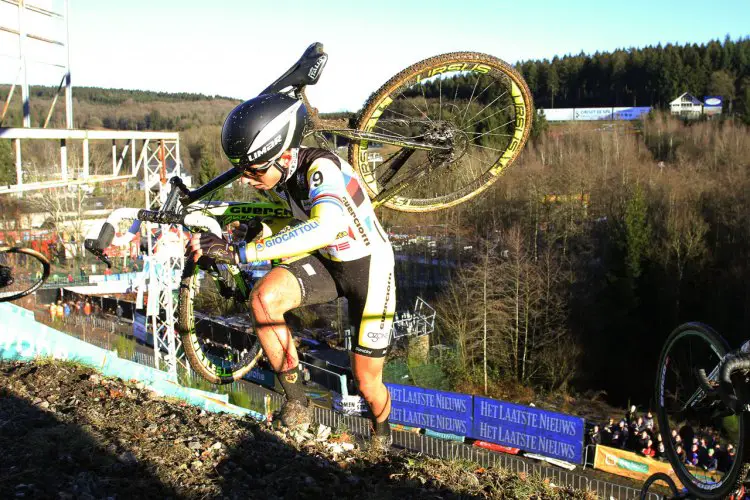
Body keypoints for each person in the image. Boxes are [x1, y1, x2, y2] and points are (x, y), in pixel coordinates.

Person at [187, 93, 396, 448]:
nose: (248, 180)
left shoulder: (321, 169)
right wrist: (256, 228)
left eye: (254, 170)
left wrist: (242, 253)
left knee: (366, 382)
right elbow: (290, 217)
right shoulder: (278, 178)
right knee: (264, 300)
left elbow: (324, 227)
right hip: (327, 262)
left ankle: (384, 436)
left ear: (282, 156)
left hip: (369, 269)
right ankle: (297, 401)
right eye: (242, 171)